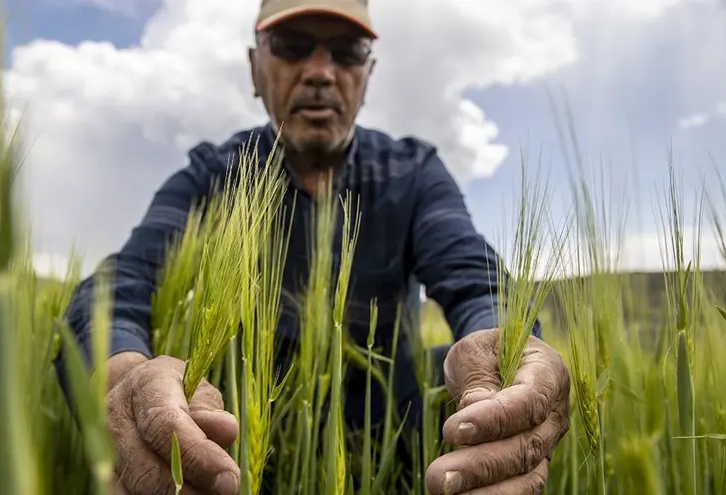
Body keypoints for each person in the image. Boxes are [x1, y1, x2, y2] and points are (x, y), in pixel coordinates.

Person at [55, 0, 571, 493]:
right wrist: (124, 373)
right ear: (255, 69)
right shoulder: (214, 174)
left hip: (393, 428)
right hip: (242, 435)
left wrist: (506, 354)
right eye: (293, 44)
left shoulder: (413, 173)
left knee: (449, 383)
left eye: (347, 51)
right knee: (188, 404)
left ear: (367, 76)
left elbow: (475, 279)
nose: (322, 71)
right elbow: (120, 282)